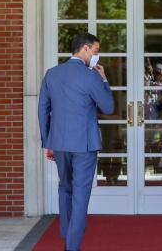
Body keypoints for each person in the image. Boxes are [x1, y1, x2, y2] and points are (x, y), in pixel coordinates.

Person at [38, 32, 114, 251]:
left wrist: (47, 141)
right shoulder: (91, 76)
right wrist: (104, 79)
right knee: (80, 195)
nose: (96, 57)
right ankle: (72, 246)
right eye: (96, 52)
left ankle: (67, 234)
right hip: (85, 145)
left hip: (59, 142)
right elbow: (108, 107)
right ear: (85, 49)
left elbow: (43, 109)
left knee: (65, 188)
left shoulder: (52, 74)